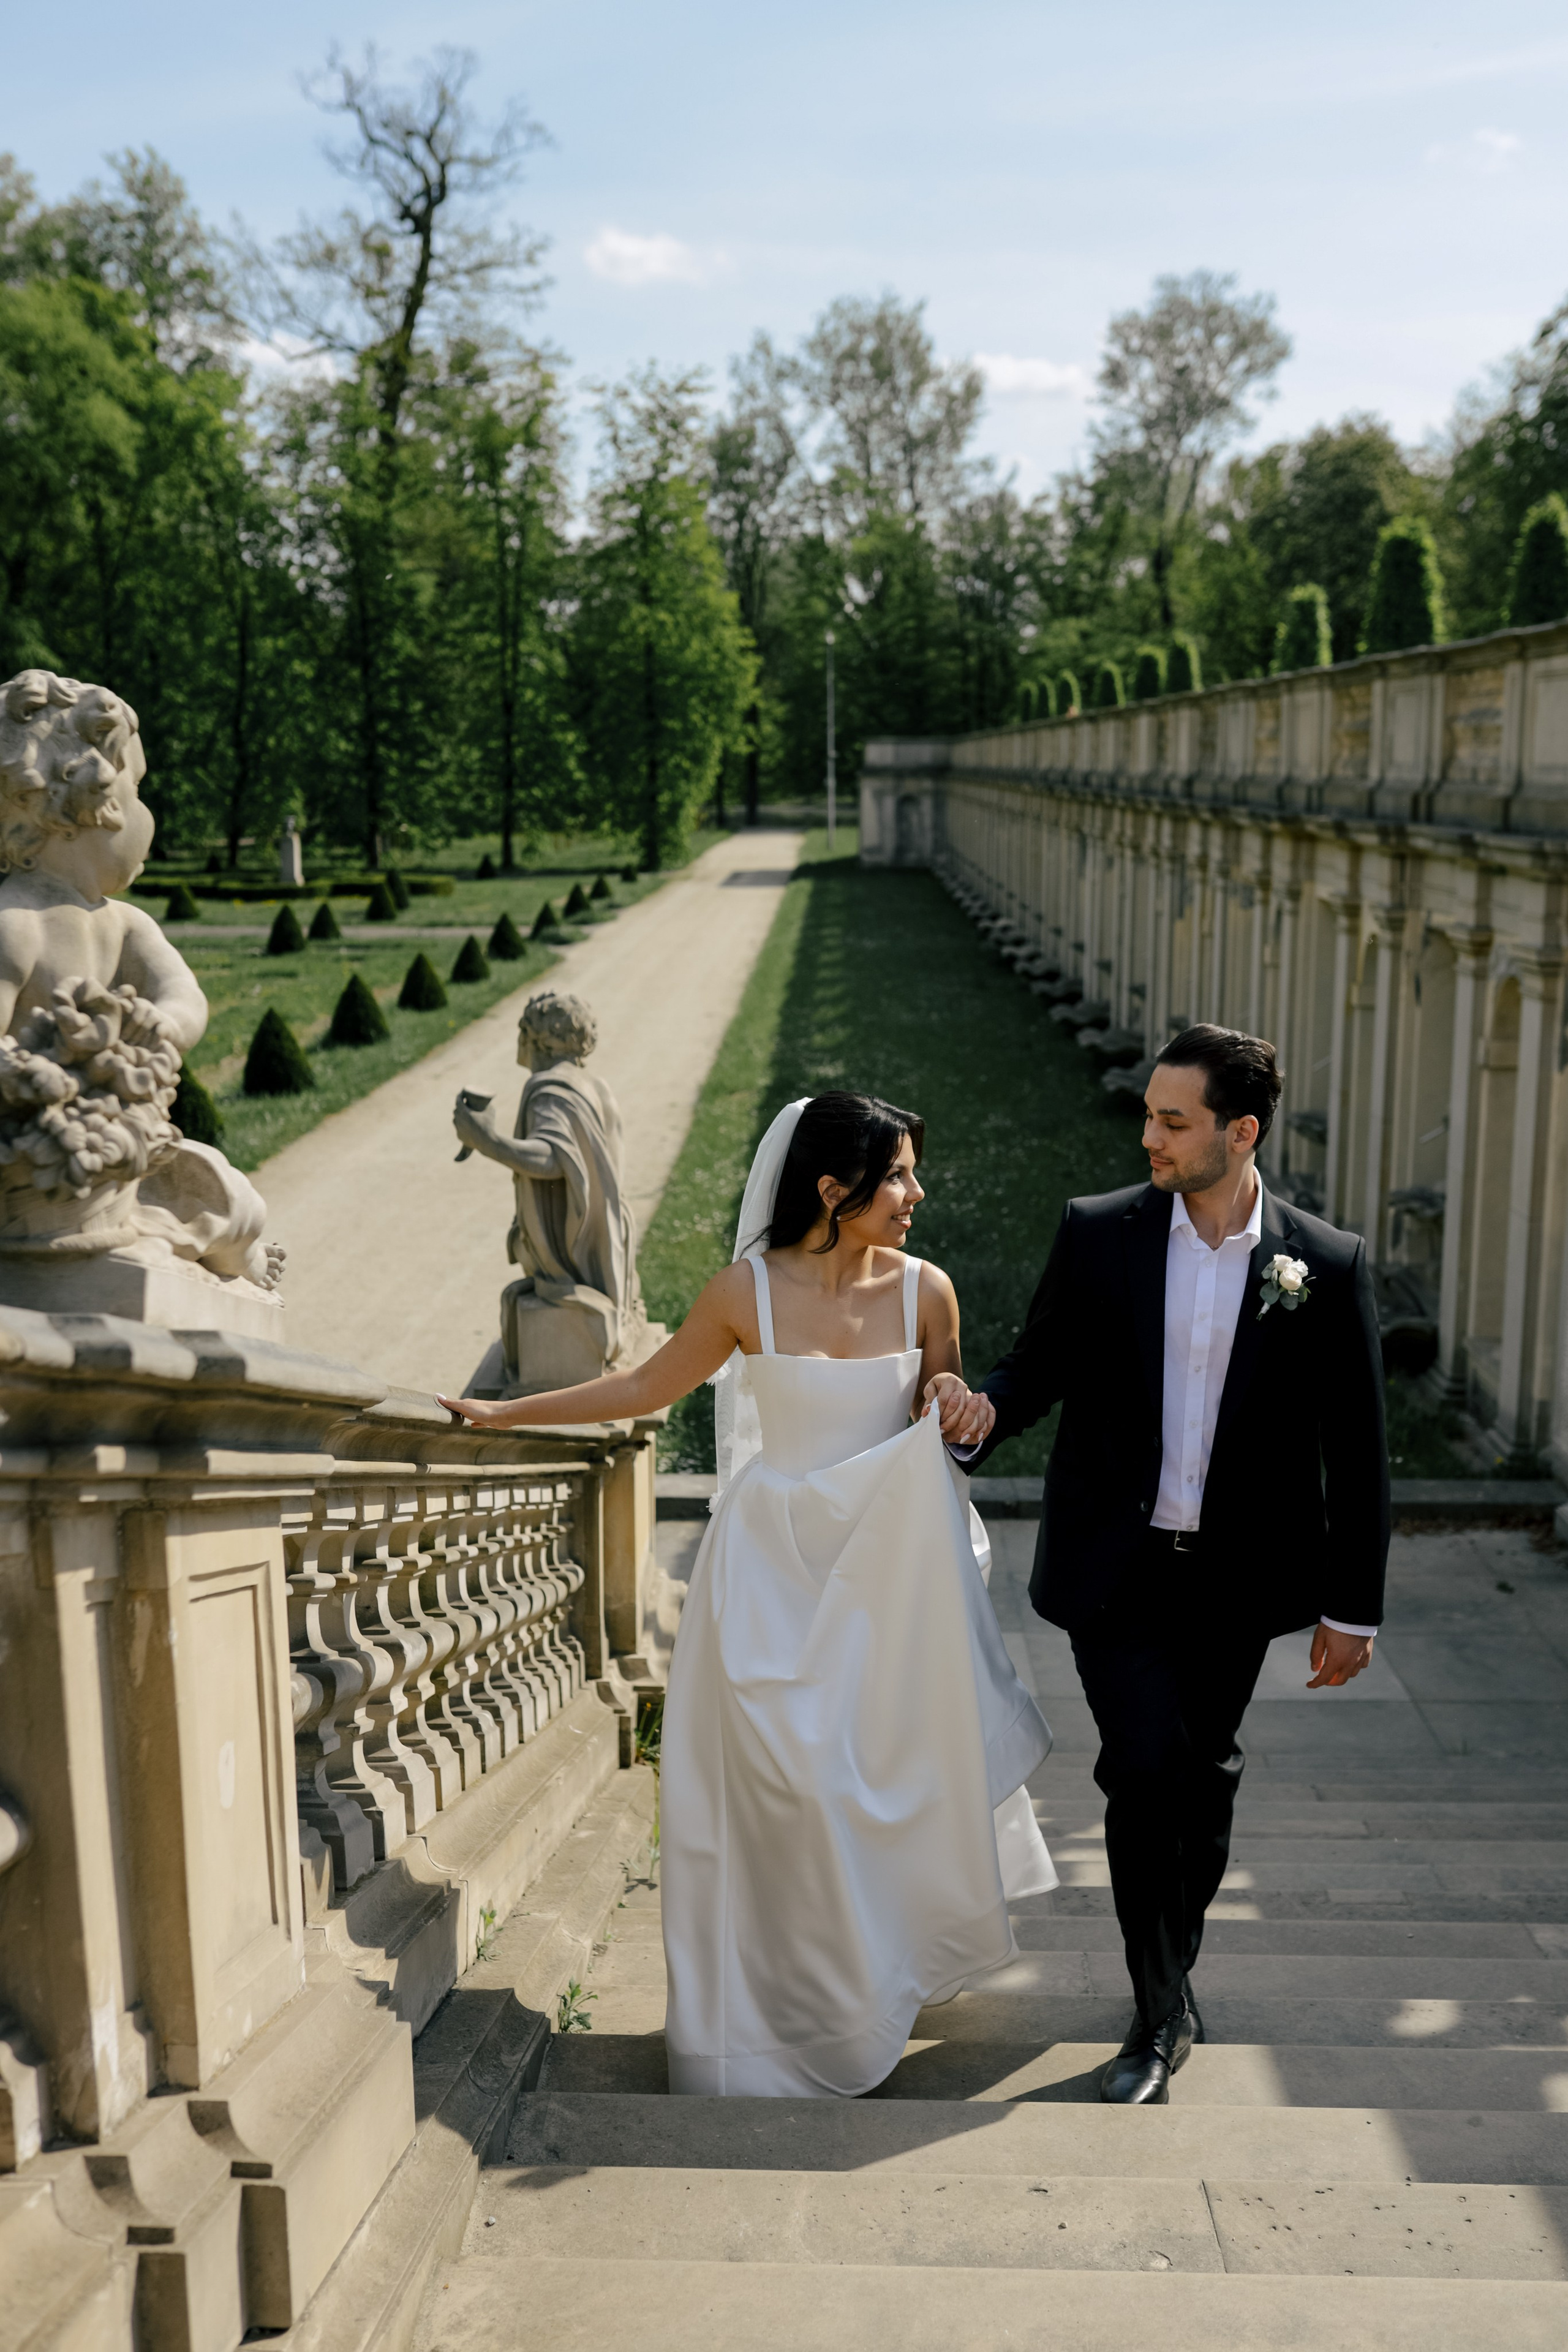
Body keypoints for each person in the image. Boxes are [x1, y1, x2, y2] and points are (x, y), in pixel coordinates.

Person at [439, 1090, 1055, 2096]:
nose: (916, 1193)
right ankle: (775, 2020)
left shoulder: (927, 1291)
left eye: (910, 1172)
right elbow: (642, 1390)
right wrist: (505, 1415)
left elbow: (949, 1422)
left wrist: (957, 1402)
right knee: (787, 1793)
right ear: (831, 1188)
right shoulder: (745, 1293)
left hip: (892, 1576)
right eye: (897, 1174)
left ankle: (878, 1982)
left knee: (878, 1789)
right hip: (774, 1571)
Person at [959, 1024, 1390, 2105]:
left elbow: (1361, 1448)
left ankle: (1171, 1977)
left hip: (1243, 1577)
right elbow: (1039, 1362)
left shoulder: (1322, 1265)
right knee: (1144, 1770)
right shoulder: (1099, 1232)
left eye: (1172, 1120)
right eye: (1149, 1113)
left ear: (1239, 1134)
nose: (1146, 1134)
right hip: (1118, 1568)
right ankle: (1159, 2016)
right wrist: (980, 1413)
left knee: (1201, 1777)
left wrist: (1356, 1608)